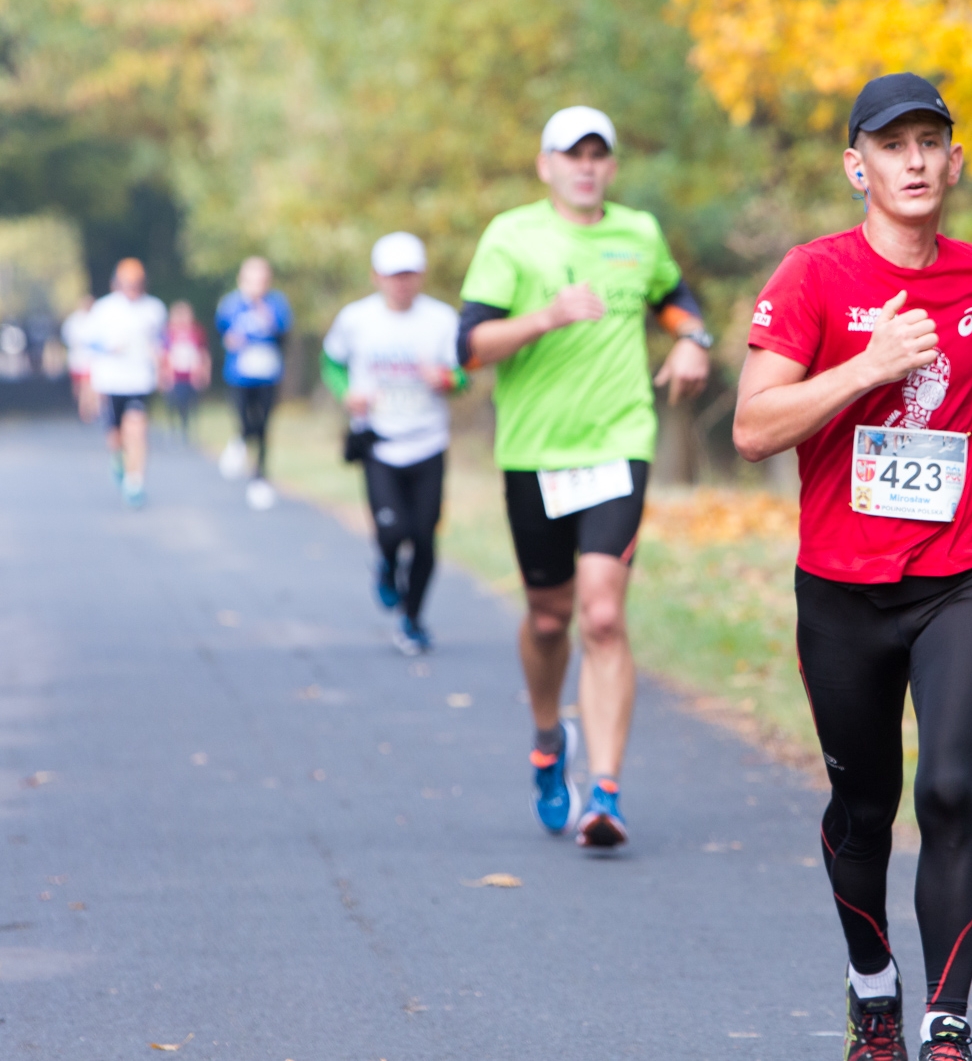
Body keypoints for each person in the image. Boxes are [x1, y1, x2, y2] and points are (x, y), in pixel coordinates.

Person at [730, 74, 972, 1061]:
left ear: (955, 161)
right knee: (864, 806)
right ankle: (873, 985)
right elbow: (752, 427)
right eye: (892, 144)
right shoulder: (813, 275)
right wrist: (868, 363)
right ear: (855, 166)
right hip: (841, 588)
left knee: (948, 785)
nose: (914, 161)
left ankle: (946, 1024)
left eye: (929, 143)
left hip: (961, 572)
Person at [457, 105, 713, 848]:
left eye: (599, 154)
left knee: (602, 615)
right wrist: (546, 316)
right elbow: (468, 347)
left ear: (612, 166)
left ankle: (606, 793)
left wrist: (693, 340)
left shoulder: (639, 233)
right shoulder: (511, 236)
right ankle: (548, 740)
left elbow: (676, 299)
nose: (587, 167)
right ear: (546, 166)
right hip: (534, 454)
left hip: (618, 445)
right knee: (549, 616)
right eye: (573, 154)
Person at [322, 233, 465, 655]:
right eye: (393, 275)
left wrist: (446, 380)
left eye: (408, 275)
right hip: (379, 442)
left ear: (421, 275)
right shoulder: (356, 319)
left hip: (428, 441)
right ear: (376, 276)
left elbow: (464, 374)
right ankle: (385, 563)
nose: (401, 283)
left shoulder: (442, 320)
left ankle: (413, 620)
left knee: (424, 537)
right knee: (392, 530)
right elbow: (331, 362)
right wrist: (346, 392)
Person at [87, 259, 168, 509]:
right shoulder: (103, 309)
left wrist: (161, 365)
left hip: (139, 381)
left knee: (137, 429)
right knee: (115, 437)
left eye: (137, 283)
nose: (132, 288)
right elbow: (89, 342)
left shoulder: (154, 308)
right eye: (127, 283)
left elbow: (161, 342)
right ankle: (118, 460)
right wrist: (108, 348)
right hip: (111, 381)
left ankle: (135, 482)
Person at [216, 256, 293, 510]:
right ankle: (239, 440)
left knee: (263, 426)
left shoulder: (276, 303)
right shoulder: (231, 304)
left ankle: (260, 477)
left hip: (268, 374)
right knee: (243, 420)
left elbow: (284, 333)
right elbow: (223, 332)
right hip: (239, 375)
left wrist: (265, 315)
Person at [160, 301, 210, 442]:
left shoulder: (196, 332)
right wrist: (163, 374)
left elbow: (203, 353)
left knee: (188, 403)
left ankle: (185, 428)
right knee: (172, 402)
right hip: (173, 375)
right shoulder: (168, 332)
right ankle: (172, 428)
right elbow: (163, 354)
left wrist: (205, 371)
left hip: (191, 375)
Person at [62, 294, 97, 423]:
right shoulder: (73, 320)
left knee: (88, 386)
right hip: (77, 360)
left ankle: (87, 411)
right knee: (78, 387)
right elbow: (68, 338)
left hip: (90, 360)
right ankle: (81, 408)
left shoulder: (95, 318)